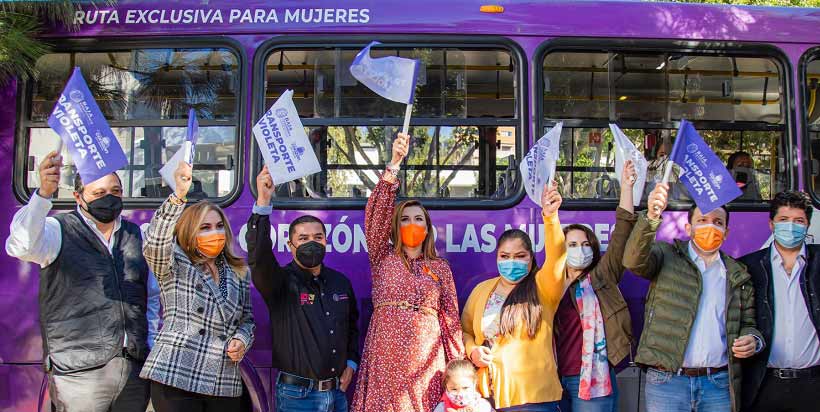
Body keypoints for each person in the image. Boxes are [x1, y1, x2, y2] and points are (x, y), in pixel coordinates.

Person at [5, 151, 151, 412]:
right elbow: (22, 246)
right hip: (78, 374)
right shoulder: (56, 230)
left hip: (132, 370)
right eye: (98, 193)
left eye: (116, 191)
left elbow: (146, 297)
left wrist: (146, 345)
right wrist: (43, 196)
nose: (109, 197)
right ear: (78, 197)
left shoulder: (135, 234)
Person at [622, 183, 763, 412]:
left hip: (717, 385)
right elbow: (632, 260)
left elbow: (748, 325)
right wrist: (650, 217)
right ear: (689, 228)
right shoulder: (666, 255)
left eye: (718, 223)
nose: (711, 227)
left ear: (726, 233)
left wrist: (752, 340)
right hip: (667, 383)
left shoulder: (738, 275)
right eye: (702, 220)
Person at [351, 132, 464, 412]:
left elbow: (451, 322)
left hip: (428, 357)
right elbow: (375, 215)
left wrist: (459, 372)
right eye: (404, 219)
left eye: (418, 219)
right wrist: (393, 165)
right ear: (394, 227)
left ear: (427, 228)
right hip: (385, 355)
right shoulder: (382, 257)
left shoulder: (440, 268)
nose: (411, 224)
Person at [140, 162, 255, 412]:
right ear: (190, 232)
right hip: (177, 373)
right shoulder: (175, 262)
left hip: (222, 378)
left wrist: (241, 340)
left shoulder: (238, 271)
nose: (214, 232)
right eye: (204, 227)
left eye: (218, 226)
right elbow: (154, 244)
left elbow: (247, 320)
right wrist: (178, 196)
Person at [246, 165, 360, 412]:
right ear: (290, 245)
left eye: (318, 238)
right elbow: (259, 257)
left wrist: (351, 363)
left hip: (337, 395)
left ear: (326, 241)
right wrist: (263, 201)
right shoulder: (280, 282)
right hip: (297, 397)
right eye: (303, 239)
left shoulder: (341, 283)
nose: (312, 243)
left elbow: (352, 327)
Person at [461, 182, 568, 411]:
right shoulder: (482, 289)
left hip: (533, 400)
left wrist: (551, 218)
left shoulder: (543, 287)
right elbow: (465, 330)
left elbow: (558, 256)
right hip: (486, 398)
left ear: (531, 259)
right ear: (496, 257)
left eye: (520, 256)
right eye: (505, 255)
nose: (512, 262)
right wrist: (473, 352)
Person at [555, 161, 638, 412]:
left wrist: (626, 186)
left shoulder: (603, 275)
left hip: (594, 380)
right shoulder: (548, 283)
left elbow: (623, 231)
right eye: (571, 245)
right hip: (551, 379)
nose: (580, 250)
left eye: (585, 244)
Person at [739, 191, 820, 412]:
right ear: (771, 224)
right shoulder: (748, 267)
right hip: (764, 384)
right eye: (783, 220)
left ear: (807, 225)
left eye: (799, 221)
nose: (791, 227)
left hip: (813, 385)